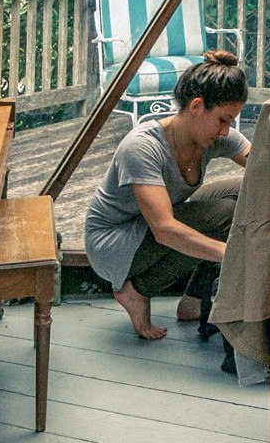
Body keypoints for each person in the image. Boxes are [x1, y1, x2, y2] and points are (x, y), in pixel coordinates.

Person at [81, 51, 250, 342]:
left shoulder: (210, 136)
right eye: (223, 120)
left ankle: (194, 300)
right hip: (112, 242)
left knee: (243, 192)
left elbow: (262, 165)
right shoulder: (142, 147)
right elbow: (164, 229)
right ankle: (135, 290)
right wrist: (232, 255)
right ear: (197, 106)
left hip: (148, 226)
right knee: (225, 214)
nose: (226, 131)